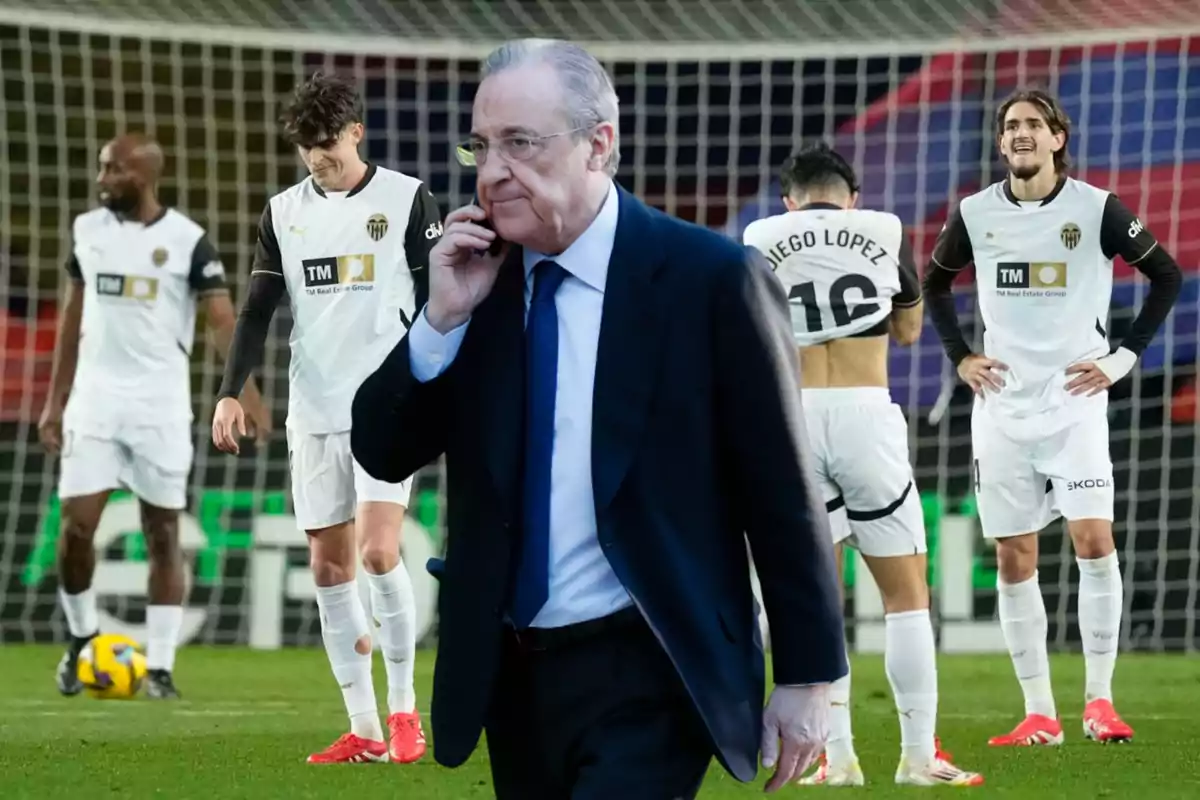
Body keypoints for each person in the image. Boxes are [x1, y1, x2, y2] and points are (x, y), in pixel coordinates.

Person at [351, 38, 847, 799]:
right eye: (480, 146)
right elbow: (383, 451)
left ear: (598, 145)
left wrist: (810, 674)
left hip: (652, 663)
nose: (491, 171)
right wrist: (439, 322)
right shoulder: (471, 282)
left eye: (520, 143)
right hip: (508, 674)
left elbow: (781, 487)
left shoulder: (709, 280)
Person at [923, 88, 1182, 746]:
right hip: (1002, 409)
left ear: (1057, 138)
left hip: (1076, 404)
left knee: (1095, 542)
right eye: (1011, 126)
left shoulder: (1095, 209)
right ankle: (1040, 713)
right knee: (1015, 555)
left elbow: (1167, 275)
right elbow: (933, 282)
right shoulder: (976, 213)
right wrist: (961, 356)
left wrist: (1123, 360)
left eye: (1034, 125)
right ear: (1001, 141)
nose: (1021, 134)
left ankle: (1100, 702)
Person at [211, 72, 442, 765]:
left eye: (329, 146)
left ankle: (405, 712)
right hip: (312, 409)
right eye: (307, 148)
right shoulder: (282, 213)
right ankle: (365, 729)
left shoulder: (405, 200)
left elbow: (439, 301)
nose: (319, 159)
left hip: (385, 404)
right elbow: (255, 312)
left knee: (378, 552)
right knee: (329, 569)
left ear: (356, 133)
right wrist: (230, 390)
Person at [743, 141, 983, 787]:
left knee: (817, 594)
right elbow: (907, 332)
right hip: (864, 413)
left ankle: (838, 758)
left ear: (790, 199)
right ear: (851, 196)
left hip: (791, 419)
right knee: (906, 594)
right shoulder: (882, 228)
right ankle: (916, 757)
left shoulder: (760, 236)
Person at [39, 133, 271, 700]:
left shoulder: (187, 242)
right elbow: (73, 318)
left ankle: (161, 667)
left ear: (141, 175)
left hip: (160, 407)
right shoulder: (86, 232)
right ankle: (82, 640)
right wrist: (55, 398)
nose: (101, 180)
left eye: (111, 170)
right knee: (75, 529)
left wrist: (247, 393)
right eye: (101, 169)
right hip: (94, 402)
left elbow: (220, 321)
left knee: (163, 533)